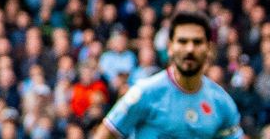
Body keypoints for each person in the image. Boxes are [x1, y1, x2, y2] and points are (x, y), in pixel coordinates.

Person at [94, 10, 243, 138]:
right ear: (170, 47)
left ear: (209, 48)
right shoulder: (145, 93)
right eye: (182, 41)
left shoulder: (222, 103)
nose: (190, 49)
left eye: (197, 42)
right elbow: (106, 134)